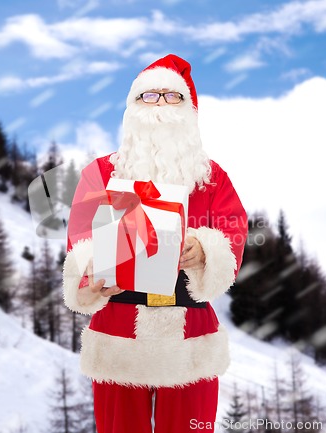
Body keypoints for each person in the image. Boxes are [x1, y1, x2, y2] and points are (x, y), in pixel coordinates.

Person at [63, 54, 248, 433]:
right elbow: (80, 240)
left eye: (172, 96)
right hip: (118, 327)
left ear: (189, 109)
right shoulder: (100, 172)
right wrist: (91, 276)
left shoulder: (212, 179)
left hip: (189, 330)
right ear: (133, 108)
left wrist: (206, 251)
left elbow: (233, 233)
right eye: (150, 96)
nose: (161, 105)